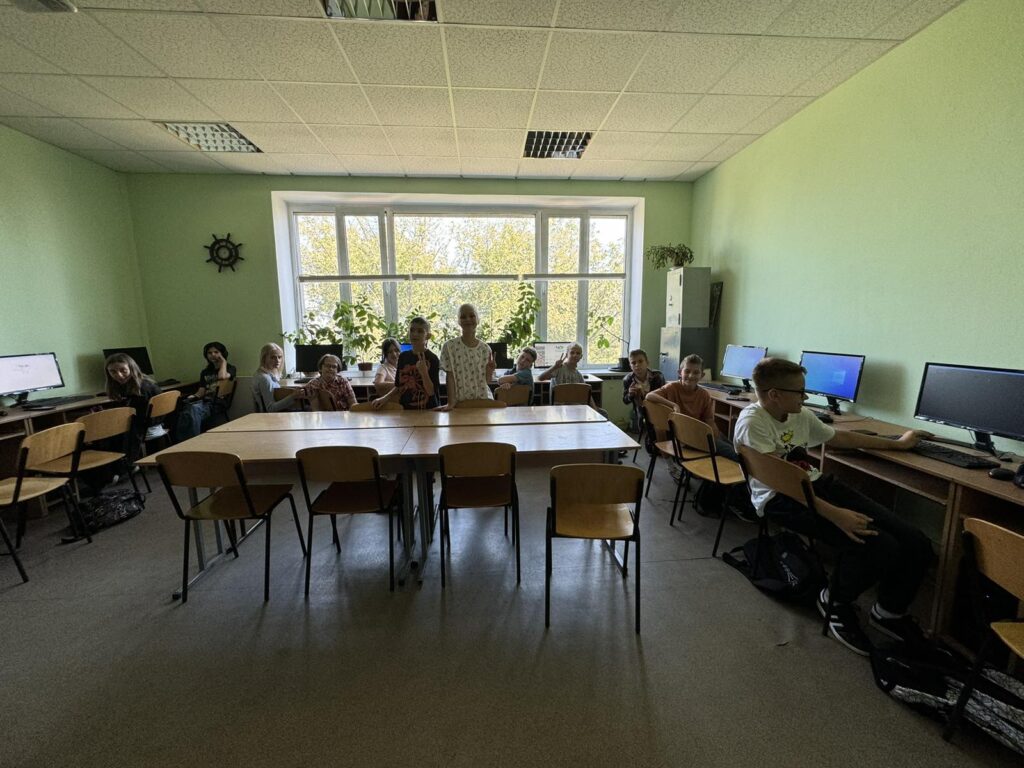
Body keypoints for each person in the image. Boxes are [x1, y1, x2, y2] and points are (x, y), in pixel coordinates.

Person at [733, 357, 934, 656]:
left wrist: (898, 443)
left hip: (813, 484)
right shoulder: (753, 423)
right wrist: (835, 514)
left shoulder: (799, 414)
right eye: (800, 391)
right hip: (779, 498)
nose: (805, 397)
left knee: (916, 541)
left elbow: (838, 437)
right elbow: (781, 481)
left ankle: (888, 612)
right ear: (774, 394)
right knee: (879, 545)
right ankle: (833, 600)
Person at [646, 354, 736, 460]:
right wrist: (674, 405)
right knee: (733, 453)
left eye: (696, 372)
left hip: (698, 432)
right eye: (687, 371)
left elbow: (709, 420)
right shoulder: (672, 387)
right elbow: (649, 396)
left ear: (702, 375)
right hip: (684, 437)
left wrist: (715, 435)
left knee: (735, 448)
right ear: (680, 372)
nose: (691, 376)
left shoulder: (704, 395)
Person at [373, 316, 440, 410]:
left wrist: (424, 373)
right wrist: (385, 398)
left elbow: (431, 392)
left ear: (428, 336)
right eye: (412, 330)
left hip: (428, 410)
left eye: (420, 331)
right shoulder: (403, 357)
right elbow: (398, 386)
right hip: (406, 409)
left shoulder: (433, 359)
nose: (415, 334)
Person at [104, 352, 161, 462]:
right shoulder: (128, 385)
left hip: (146, 424)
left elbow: (137, 415)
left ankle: (125, 464)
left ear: (131, 368)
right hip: (148, 422)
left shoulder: (142, 388)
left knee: (108, 431)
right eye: (113, 372)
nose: (119, 375)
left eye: (123, 370)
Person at [175, 341, 237, 441]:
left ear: (222, 353)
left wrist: (223, 362)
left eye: (216, 352)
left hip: (218, 403)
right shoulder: (205, 372)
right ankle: (184, 441)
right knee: (185, 409)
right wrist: (193, 397)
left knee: (193, 410)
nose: (213, 355)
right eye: (209, 353)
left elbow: (222, 377)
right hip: (205, 402)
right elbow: (201, 391)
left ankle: (192, 441)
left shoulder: (230, 368)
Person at [439, 303, 494, 408]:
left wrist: (489, 371)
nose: (468, 319)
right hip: (460, 403)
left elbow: (486, 381)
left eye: (472, 316)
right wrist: (451, 402)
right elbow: (449, 376)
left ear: (478, 319)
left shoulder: (485, 349)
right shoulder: (449, 347)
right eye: (463, 317)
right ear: (458, 321)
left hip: (484, 402)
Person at [538, 342, 606, 415]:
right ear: (567, 355)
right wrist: (554, 367)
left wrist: (595, 410)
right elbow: (541, 378)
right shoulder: (559, 368)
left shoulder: (578, 375)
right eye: (572, 352)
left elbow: (587, 393)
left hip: (575, 407)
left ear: (581, 356)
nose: (575, 355)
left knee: (603, 413)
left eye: (578, 353)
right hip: (560, 408)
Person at [621, 348, 666, 432]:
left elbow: (664, 397)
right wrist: (630, 394)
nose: (637, 365)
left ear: (647, 363)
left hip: (658, 408)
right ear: (630, 366)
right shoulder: (628, 379)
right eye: (633, 363)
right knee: (647, 421)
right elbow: (625, 401)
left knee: (658, 423)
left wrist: (646, 395)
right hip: (641, 411)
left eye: (640, 361)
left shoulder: (657, 376)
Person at [251, 343, 304, 413]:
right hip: (271, 416)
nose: (277, 360)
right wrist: (293, 396)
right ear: (264, 358)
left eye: (279, 357)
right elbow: (270, 408)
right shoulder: (264, 378)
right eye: (273, 357)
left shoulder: (264, 374)